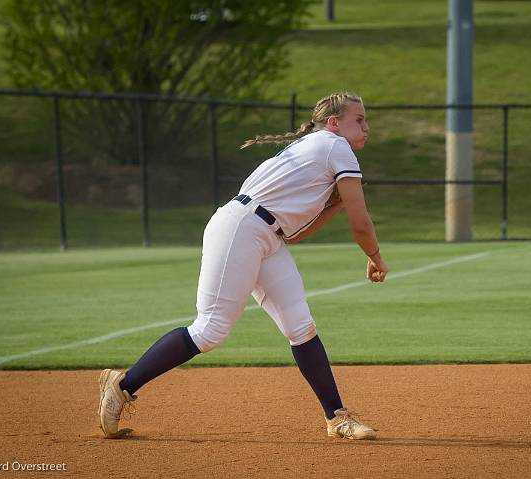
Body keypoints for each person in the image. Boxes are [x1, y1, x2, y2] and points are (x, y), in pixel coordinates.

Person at [98, 92, 389, 440]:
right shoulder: (335, 146)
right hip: (242, 228)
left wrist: (333, 205)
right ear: (333, 123)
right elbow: (362, 223)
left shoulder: (318, 150)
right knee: (210, 330)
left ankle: (336, 418)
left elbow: (293, 235)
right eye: (359, 119)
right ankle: (122, 385)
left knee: (301, 326)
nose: (366, 127)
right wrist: (375, 256)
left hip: (266, 235)